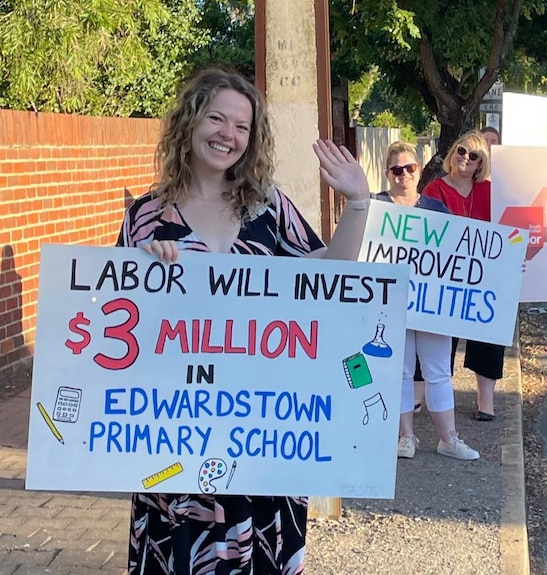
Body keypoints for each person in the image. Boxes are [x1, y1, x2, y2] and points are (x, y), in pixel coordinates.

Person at [116, 67, 371, 575]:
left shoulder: (267, 207)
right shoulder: (145, 215)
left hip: (260, 429)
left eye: (241, 126)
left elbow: (329, 274)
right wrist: (143, 267)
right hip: (178, 432)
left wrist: (359, 203)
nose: (227, 135)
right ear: (188, 124)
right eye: (215, 118)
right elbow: (121, 320)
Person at [374, 141, 480, 461]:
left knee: (437, 370)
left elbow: (460, 252)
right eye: (396, 169)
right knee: (402, 370)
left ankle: (448, 438)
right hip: (392, 302)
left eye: (409, 168)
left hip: (434, 303)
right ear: (387, 173)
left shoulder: (436, 209)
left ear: (419, 169)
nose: (403, 175)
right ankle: (406, 437)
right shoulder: (376, 206)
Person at [421, 131, 505, 422]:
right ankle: (421, 398)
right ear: (452, 153)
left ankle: (486, 402)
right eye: (461, 151)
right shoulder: (434, 190)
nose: (465, 158)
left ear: (481, 163)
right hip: (445, 278)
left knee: (489, 334)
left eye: (473, 155)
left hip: (484, 277)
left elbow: (517, 225)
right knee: (437, 335)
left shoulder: (492, 192)